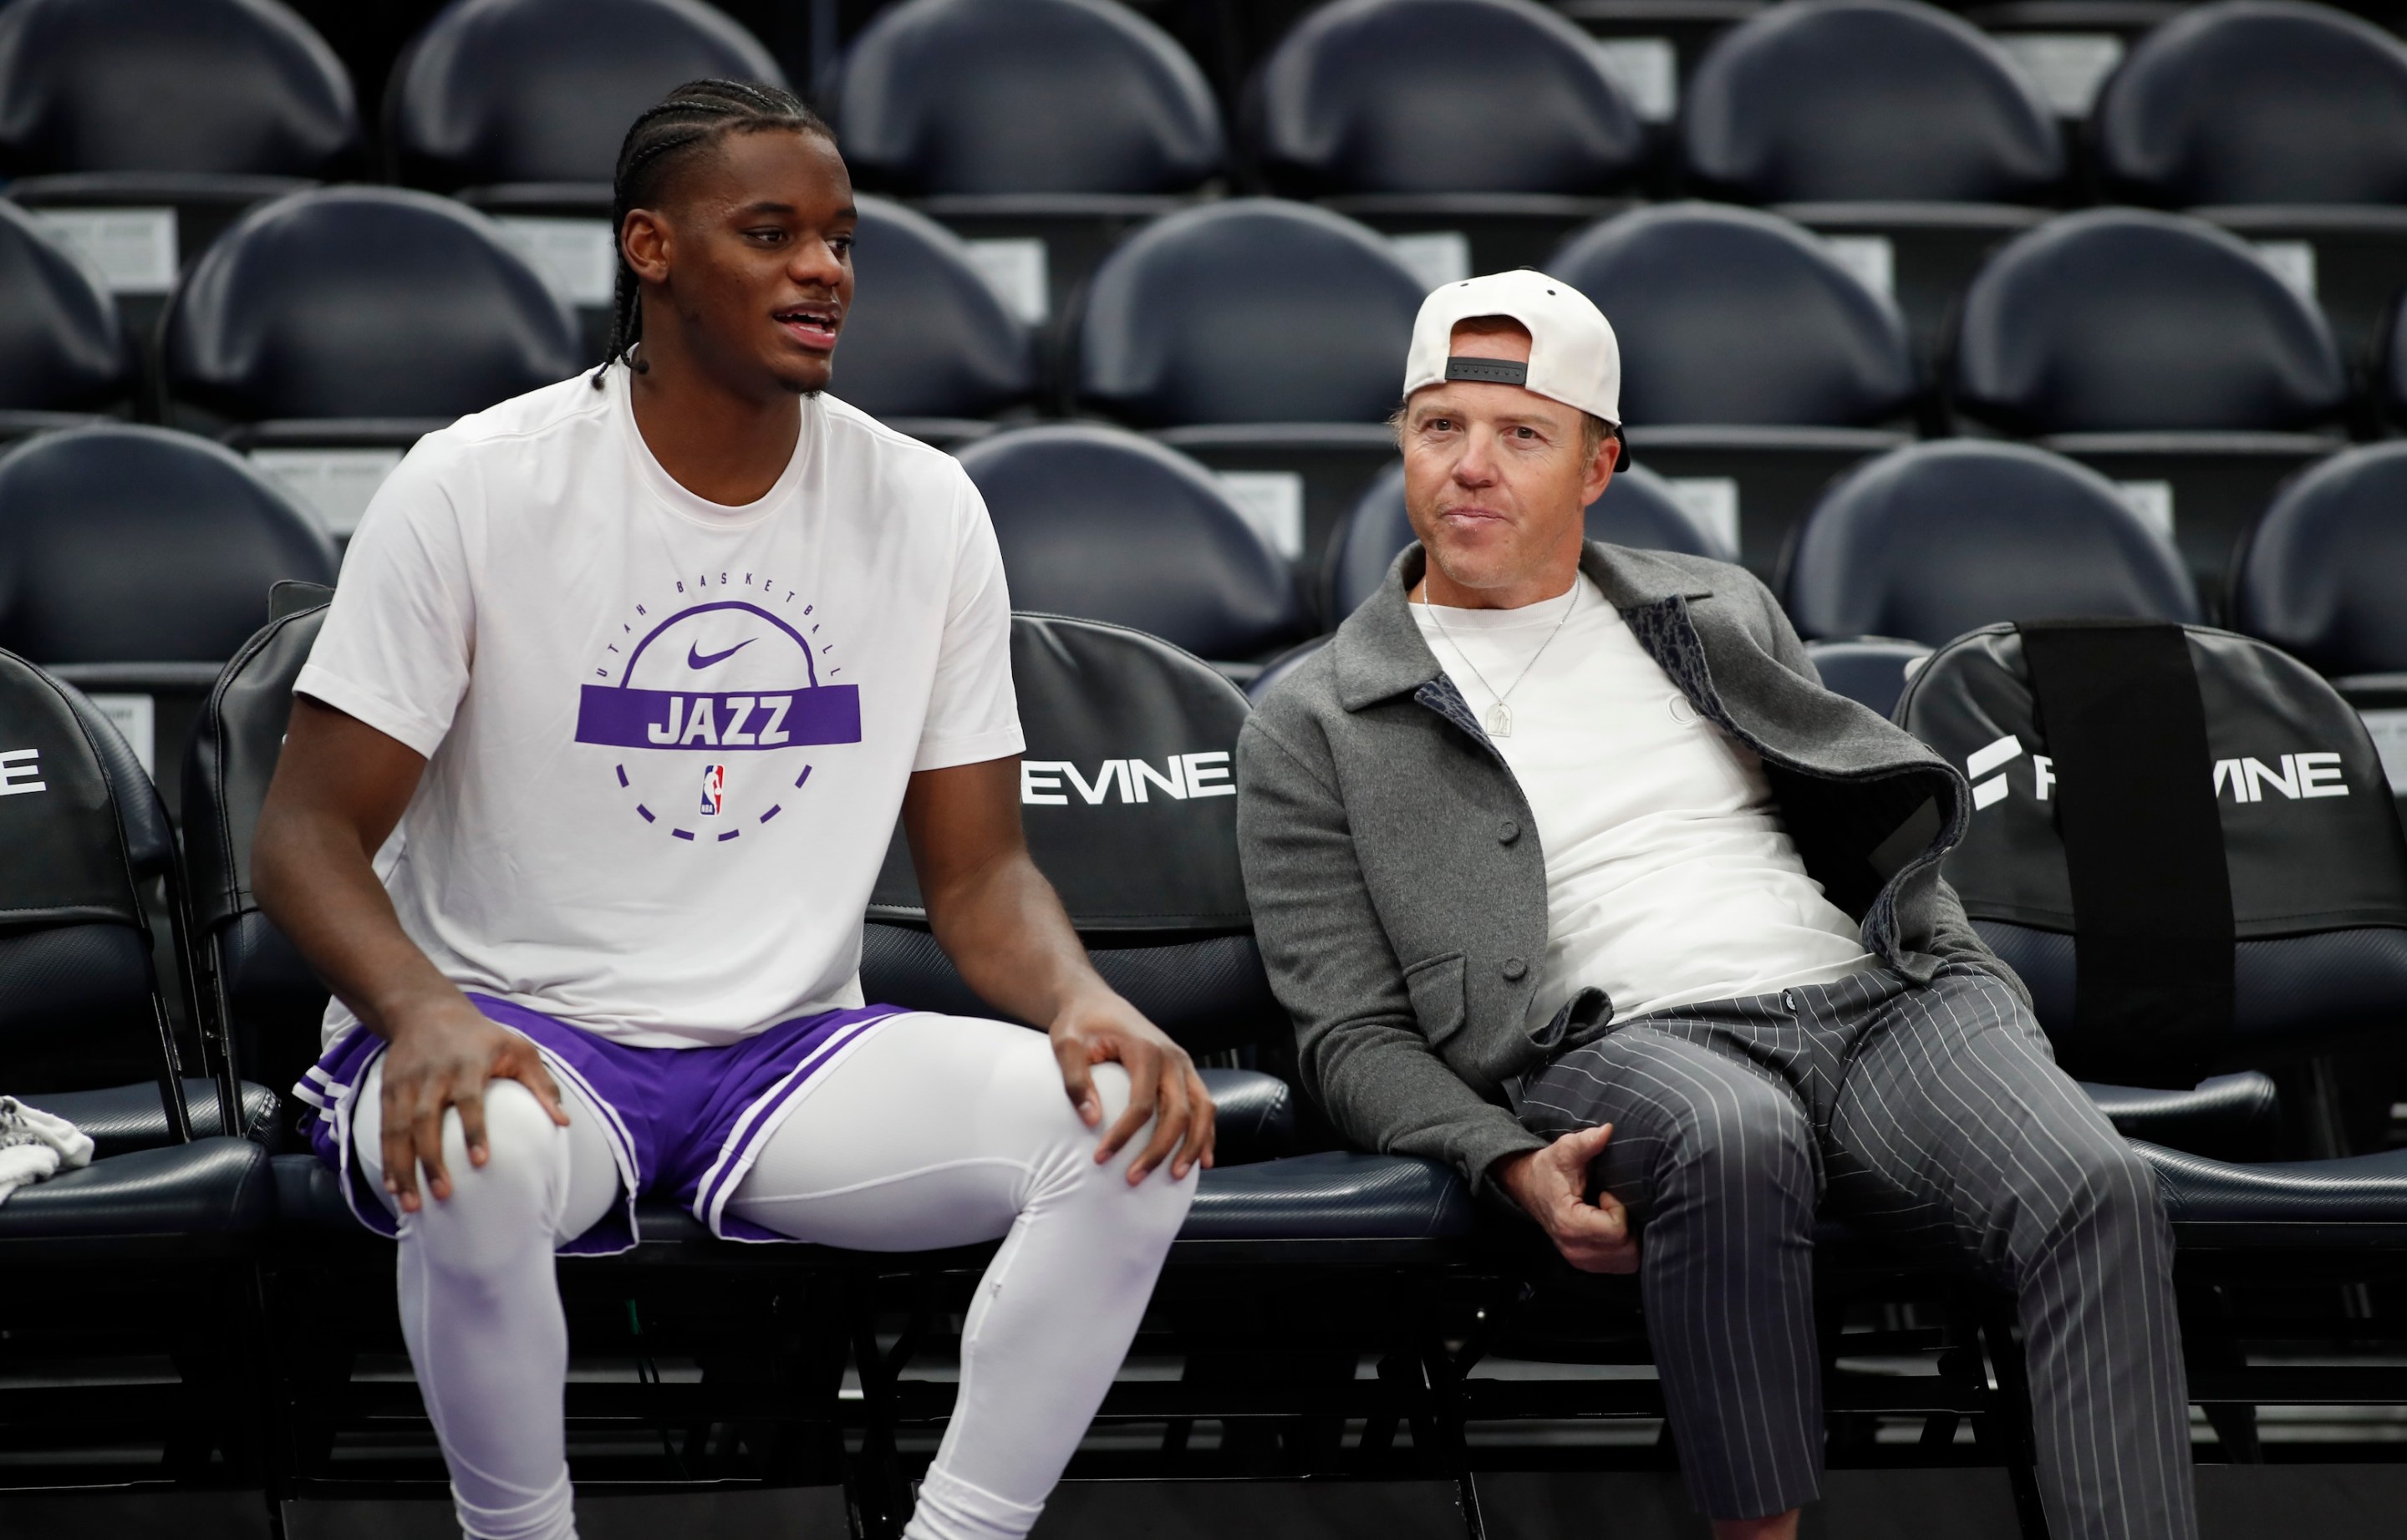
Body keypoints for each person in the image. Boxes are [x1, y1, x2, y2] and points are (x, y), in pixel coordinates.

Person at [254, 79, 1213, 1540]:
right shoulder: (476, 485)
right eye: (769, 233)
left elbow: (981, 880)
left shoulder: (930, 504)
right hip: (516, 1029)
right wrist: (419, 1010)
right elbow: (303, 838)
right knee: (477, 1147)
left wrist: (1082, 1001)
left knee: (1125, 1128)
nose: (822, 269)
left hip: (786, 1053)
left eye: (839, 238)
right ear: (651, 250)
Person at [1233, 270, 2195, 1540]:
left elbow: (1857, 833)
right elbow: (1347, 1038)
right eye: (1438, 427)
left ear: (1597, 467)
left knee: (2099, 1191)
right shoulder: (1314, 714)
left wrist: (1952, 967)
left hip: (1877, 1005)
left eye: (1520, 435)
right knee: (1733, 1134)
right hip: (1620, 1045)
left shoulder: (1717, 609)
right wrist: (1503, 1159)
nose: (1469, 466)